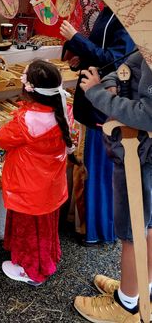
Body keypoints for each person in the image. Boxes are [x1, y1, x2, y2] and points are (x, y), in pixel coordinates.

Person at [74, 52, 152, 323]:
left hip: (141, 157)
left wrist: (99, 94)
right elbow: (122, 67)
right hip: (140, 153)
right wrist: (110, 85)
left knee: (134, 232)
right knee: (147, 226)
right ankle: (142, 289)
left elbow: (147, 115)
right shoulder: (145, 37)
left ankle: (127, 304)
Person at [60, 0, 135, 244]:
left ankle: (97, 230)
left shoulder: (126, 16)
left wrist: (75, 39)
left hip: (102, 104)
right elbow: (99, 53)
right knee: (87, 167)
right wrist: (79, 55)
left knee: (98, 170)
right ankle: (83, 223)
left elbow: (114, 60)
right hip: (92, 101)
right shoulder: (108, 11)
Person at [0, 59, 73, 285]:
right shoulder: (64, 110)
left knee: (28, 229)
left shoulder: (25, 120)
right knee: (46, 225)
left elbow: (2, 139)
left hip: (28, 185)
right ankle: (47, 257)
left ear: (30, 89)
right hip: (51, 184)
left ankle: (32, 270)